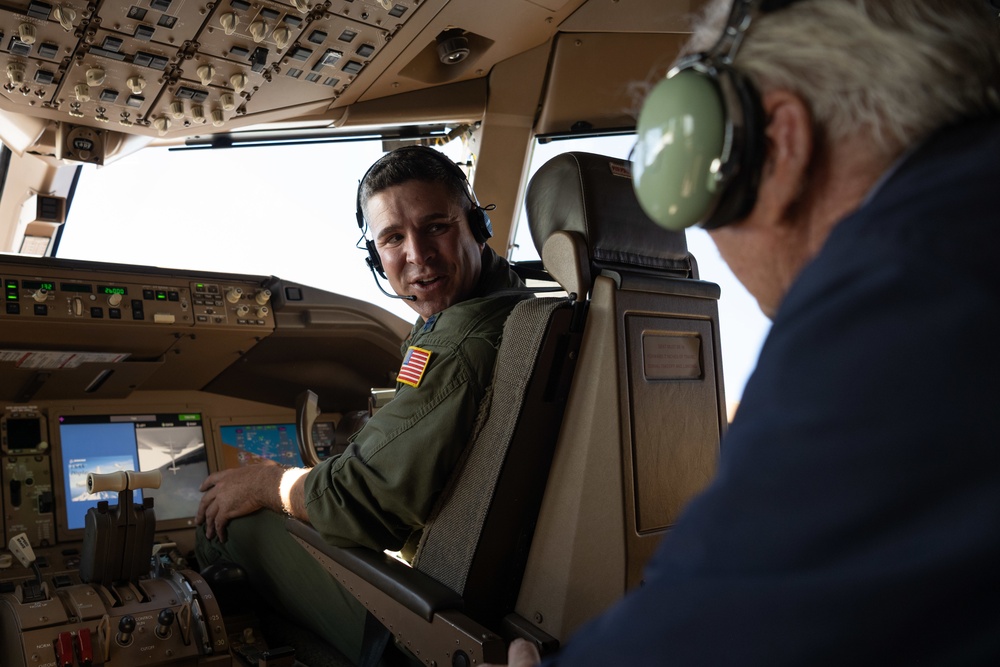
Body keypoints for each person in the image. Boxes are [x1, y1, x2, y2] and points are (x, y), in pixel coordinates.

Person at [492, 0, 1000, 664]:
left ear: (781, 144)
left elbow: (715, 632)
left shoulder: (902, 286)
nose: (706, 238)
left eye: (704, 202)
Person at [195, 145, 531, 662]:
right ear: (378, 256)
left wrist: (268, 483)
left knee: (226, 522)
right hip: (488, 596)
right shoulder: (520, 311)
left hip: (430, 625)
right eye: (394, 238)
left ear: (476, 226)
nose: (417, 255)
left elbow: (360, 504)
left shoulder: (459, 344)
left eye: (436, 226)